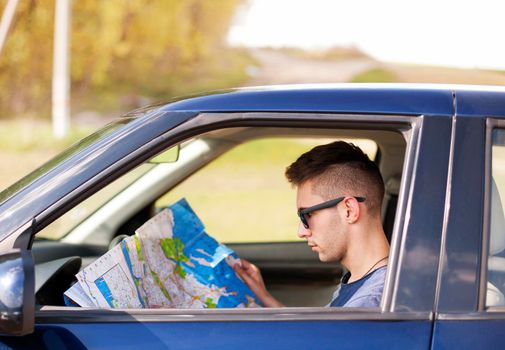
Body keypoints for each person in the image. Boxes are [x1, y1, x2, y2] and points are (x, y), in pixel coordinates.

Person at [234, 141, 390, 307]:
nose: (301, 232)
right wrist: (266, 299)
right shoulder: (362, 282)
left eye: (308, 214)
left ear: (349, 210)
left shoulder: (368, 304)